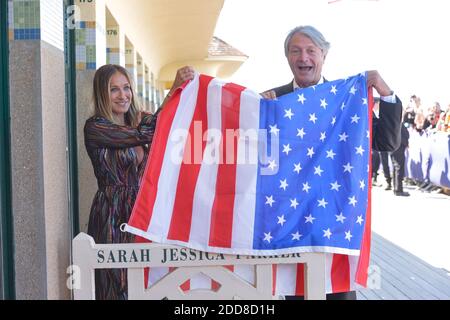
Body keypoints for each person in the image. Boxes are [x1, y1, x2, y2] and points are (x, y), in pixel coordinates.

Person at [261, 25, 403, 300]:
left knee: (338, 294)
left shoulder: (345, 100)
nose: (304, 58)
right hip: (289, 225)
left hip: (335, 224)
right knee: (295, 294)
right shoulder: (272, 100)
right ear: (287, 58)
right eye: (296, 51)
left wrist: (384, 91)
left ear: (323, 55)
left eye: (311, 51)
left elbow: (386, 142)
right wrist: (258, 113)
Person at [84, 64, 194, 299]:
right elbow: (148, 132)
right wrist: (172, 90)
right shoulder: (96, 126)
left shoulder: (137, 123)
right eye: (114, 90)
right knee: (115, 283)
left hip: (141, 212)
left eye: (126, 88)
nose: (122, 95)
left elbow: (164, 135)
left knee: (148, 284)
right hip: (112, 212)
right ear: (102, 93)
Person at [391, 122, 410, 196]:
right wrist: (405, 143)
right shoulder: (397, 123)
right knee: (399, 168)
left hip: (393, 147)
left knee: (395, 168)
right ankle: (398, 189)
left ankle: (396, 188)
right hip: (398, 147)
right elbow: (404, 135)